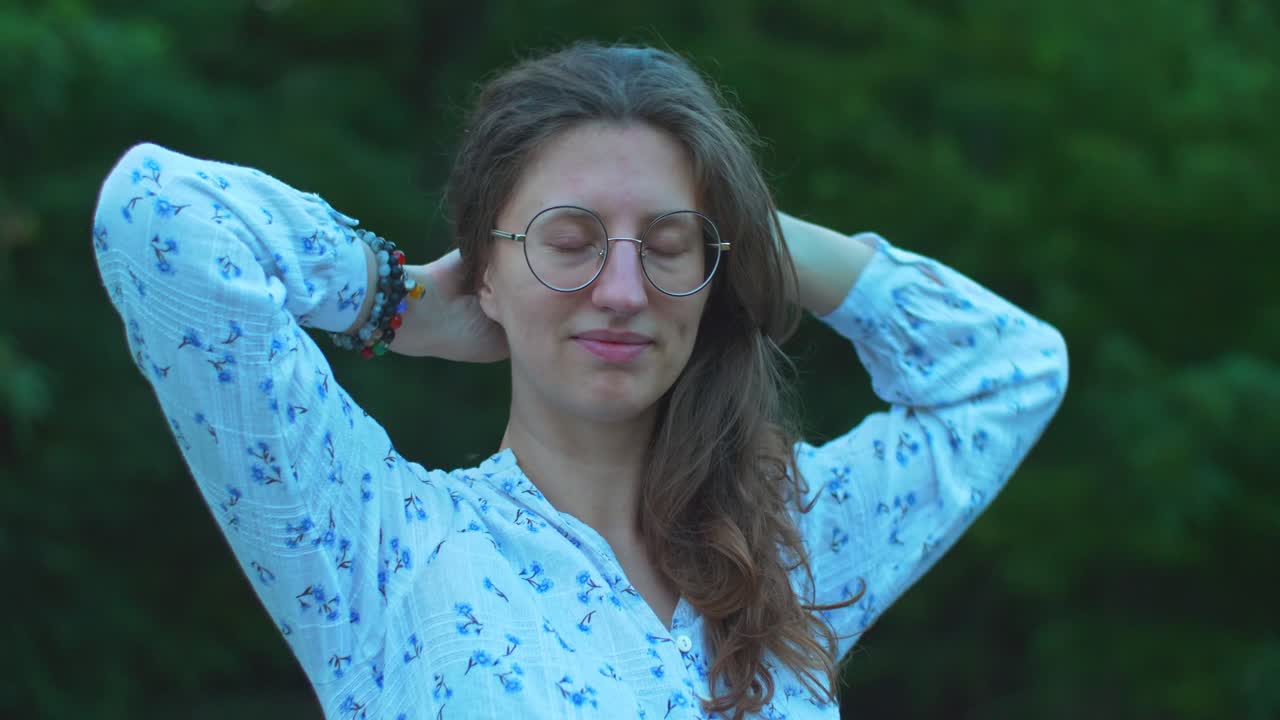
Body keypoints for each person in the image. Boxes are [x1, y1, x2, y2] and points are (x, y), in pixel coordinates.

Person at [91, 41, 1068, 720]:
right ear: (486, 268)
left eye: (668, 245)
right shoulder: (378, 541)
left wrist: (759, 235)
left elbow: (1007, 370)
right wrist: (394, 300)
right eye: (569, 242)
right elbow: (157, 214)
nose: (620, 290)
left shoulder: (788, 547)